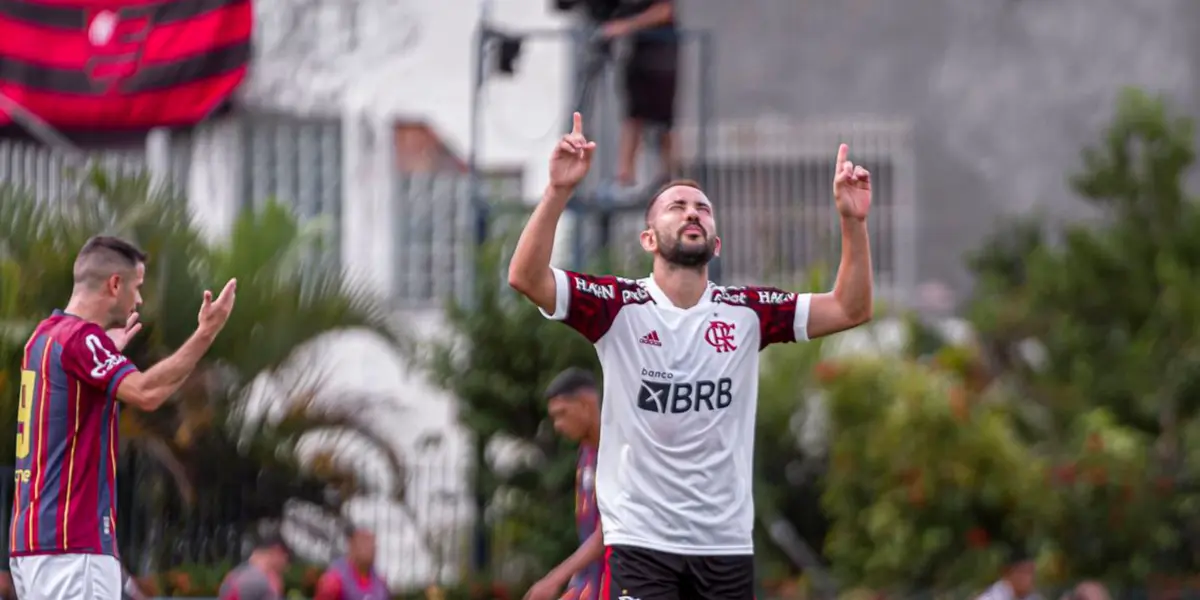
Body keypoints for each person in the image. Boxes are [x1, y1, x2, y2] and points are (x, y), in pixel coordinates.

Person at [507, 113, 873, 600]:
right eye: (676, 206)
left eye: (702, 207)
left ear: (715, 241)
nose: (692, 212)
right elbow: (526, 278)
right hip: (640, 543)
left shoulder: (747, 312)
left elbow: (851, 307)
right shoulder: (617, 305)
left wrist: (852, 221)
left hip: (724, 546)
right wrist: (556, 191)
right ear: (649, 238)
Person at [9, 235, 237, 600]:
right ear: (115, 284)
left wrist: (103, 356)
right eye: (137, 286)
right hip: (74, 546)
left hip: (31, 546)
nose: (140, 299)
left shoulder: (43, 337)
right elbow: (148, 393)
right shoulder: (82, 341)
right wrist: (206, 332)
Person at [524, 368, 604, 600]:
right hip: (590, 583)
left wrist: (554, 578)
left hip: (621, 582)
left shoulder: (618, 452)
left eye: (562, 413)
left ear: (586, 404)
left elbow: (608, 532)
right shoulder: (585, 453)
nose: (557, 425)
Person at [598, 0, 677, 187]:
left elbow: (665, 11)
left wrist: (628, 26)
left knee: (665, 121)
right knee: (633, 117)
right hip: (637, 60)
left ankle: (667, 174)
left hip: (662, 60)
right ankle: (625, 176)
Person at [314, 527, 388, 600]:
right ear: (352, 546)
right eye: (365, 542)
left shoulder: (380, 584)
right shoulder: (334, 580)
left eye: (372, 543)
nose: (371, 547)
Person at [218, 533, 292, 600]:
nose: (285, 565)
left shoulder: (235, 574)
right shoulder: (268, 580)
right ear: (277, 552)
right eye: (285, 558)